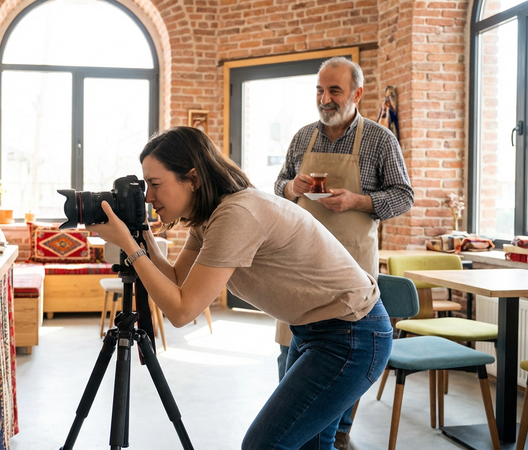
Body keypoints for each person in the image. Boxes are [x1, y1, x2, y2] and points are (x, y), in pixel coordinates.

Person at [88, 126, 392, 449]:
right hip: (316, 330)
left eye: (155, 184)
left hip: (353, 334)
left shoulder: (236, 214)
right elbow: (177, 281)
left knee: (264, 445)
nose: (148, 196)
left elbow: (181, 311)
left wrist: (129, 247)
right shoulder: (209, 217)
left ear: (192, 178)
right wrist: (142, 235)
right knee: (309, 446)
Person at [274, 57, 414, 449]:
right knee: (291, 351)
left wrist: (358, 200)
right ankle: (293, 429)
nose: (325, 98)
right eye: (320, 90)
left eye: (334, 90)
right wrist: (292, 188)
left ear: (357, 93)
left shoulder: (380, 139)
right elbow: (279, 185)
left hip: (351, 266)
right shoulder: (303, 138)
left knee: (344, 354)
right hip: (299, 266)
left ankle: (337, 435)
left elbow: (404, 196)